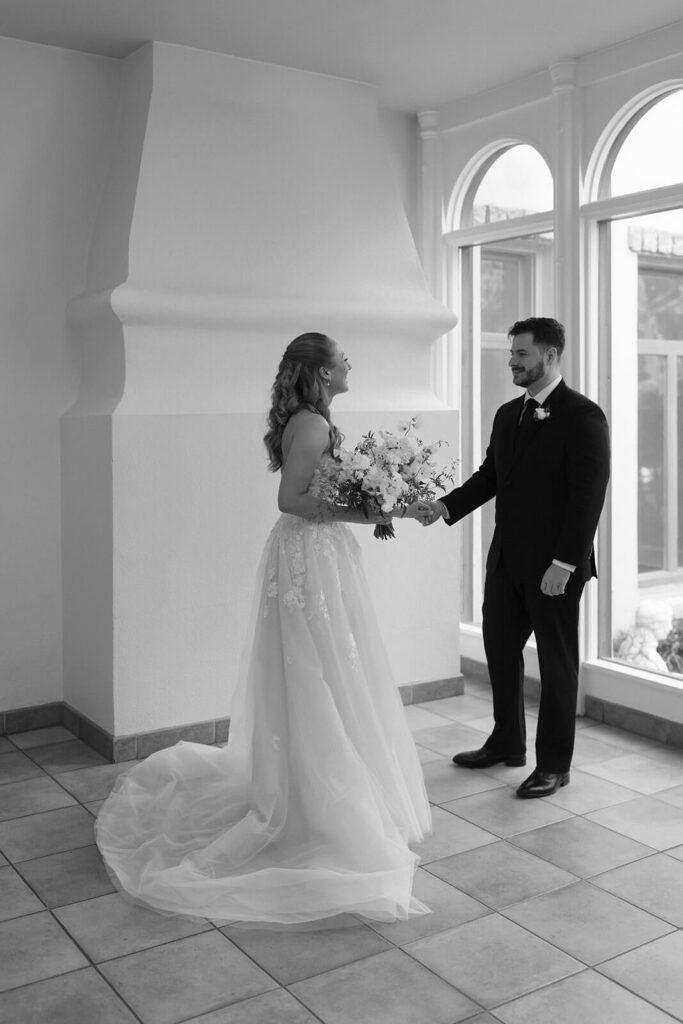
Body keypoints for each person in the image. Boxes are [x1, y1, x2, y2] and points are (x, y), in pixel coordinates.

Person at [96, 331, 432, 924]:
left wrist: (381, 507)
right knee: (316, 672)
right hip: (309, 560)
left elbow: (318, 495)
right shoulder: (311, 425)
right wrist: (381, 509)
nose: (351, 363)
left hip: (318, 556)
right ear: (323, 374)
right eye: (343, 359)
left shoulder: (313, 418)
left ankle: (324, 788)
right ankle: (313, 802)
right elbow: (291, 499)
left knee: (329, 669)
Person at [421, 317, 610, 798]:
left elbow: (588, 497)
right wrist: (444, 506)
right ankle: (507, 742)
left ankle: (553, 764)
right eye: (511, 355)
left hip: (554, 569)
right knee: (500, 653)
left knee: (557, 664)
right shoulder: (508, 414)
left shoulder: (584, 416)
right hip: (506, 560)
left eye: (520, 355)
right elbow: (490, 476)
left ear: (549, 356)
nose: (511, 362)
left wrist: (564, 565)